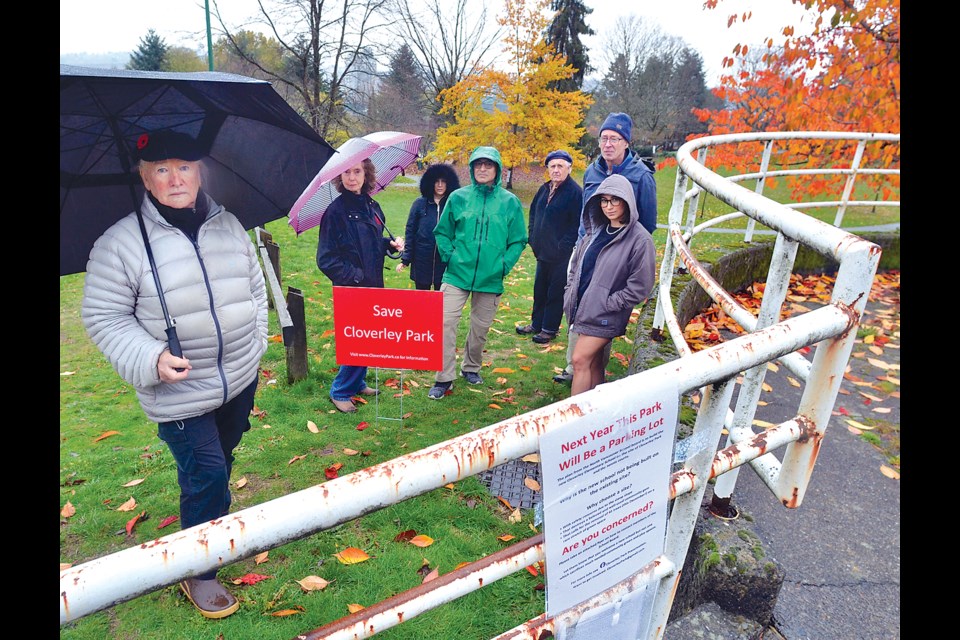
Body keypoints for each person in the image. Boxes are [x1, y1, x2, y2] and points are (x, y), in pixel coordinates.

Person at [81, 130, 268, 619]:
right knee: (207, 473)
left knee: (218, 464)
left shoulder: (229, 224)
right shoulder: (121, 243)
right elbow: (104, 316)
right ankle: (198, 569)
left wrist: (258, 341)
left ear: (200, 170)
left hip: (239, 377)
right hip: (179, 391)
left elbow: (253, 288)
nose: (175, 178)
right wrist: (150, 358)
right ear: (145, 178)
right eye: (161, 169)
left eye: (184, 166)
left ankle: (204, 523)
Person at [554, 112, 658, 383]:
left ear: (626, 142)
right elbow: (585, 213)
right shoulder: (593, 171)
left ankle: (582, 364)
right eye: (604, 138)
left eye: (615, 138)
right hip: (587, 246)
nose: (608, 144)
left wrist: (625, 252)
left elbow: (647, 221)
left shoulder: (641, 176)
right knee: (579, 306)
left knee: (601, 317)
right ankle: (577, 366)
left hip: (618, 256)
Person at [428, 146, 528, 399]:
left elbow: (518, 239)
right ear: (472, 169)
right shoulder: (459, 197)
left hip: (490, 277)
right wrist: (450, 256)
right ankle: (444, 377)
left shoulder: (509, 202)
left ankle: (471, 367)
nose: (483, 169)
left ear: (497, 169)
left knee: (480, 328)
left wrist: (503, 265)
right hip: (456, 274)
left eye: (488, 165)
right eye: (478, 165)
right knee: (445, 322)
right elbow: (442, 232)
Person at [316, 158, 405, 413]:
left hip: (374, 285)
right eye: (346, 172)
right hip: (352, 289)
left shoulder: (372, 206)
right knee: (357, 340)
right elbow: (326, 259)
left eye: (357, 171)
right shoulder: (335, 212)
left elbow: (372, 242)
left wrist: (389, 244)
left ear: (366, 174)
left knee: (369, 337)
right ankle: (341, 390)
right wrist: (356, 277)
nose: (351, 177)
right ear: (339, 177)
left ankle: (357, 382)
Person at [563, 174, 656, 395]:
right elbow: (576, 266)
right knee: (593, 362)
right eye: (604, 200)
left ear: (627, 201)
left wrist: (609, 303)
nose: (609, 206)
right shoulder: (595, 231)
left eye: (615, 200)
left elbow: (641, 285)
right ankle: (596, 413)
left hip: (605, 314)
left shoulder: (640, 239)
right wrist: (570, 291)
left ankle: (576, 420)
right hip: (583, 309)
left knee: (579, 360)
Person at [515, 150, 582, 344]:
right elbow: (534, 214)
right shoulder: (544, 189)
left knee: (555, 292)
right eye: (552, 166)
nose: (556, 170)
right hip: (542, 251)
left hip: (561, 254)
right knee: (540, 289)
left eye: (560, 166)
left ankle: (549, 329)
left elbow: (576, 224)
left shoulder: (574, 193)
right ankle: (536, 324)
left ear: (569, 168)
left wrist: (564, 246)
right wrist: (532, 237)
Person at [396, 163, 460, 290]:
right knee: (421, 301)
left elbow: (459, 232)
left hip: (444, 260)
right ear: (430, 183)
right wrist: (406, 259)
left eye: (443, 181)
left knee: (441, 301)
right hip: (422, 259)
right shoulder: (419, 204)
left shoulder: (452, 205)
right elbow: (410, 231)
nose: (440, 185)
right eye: (436, 181)